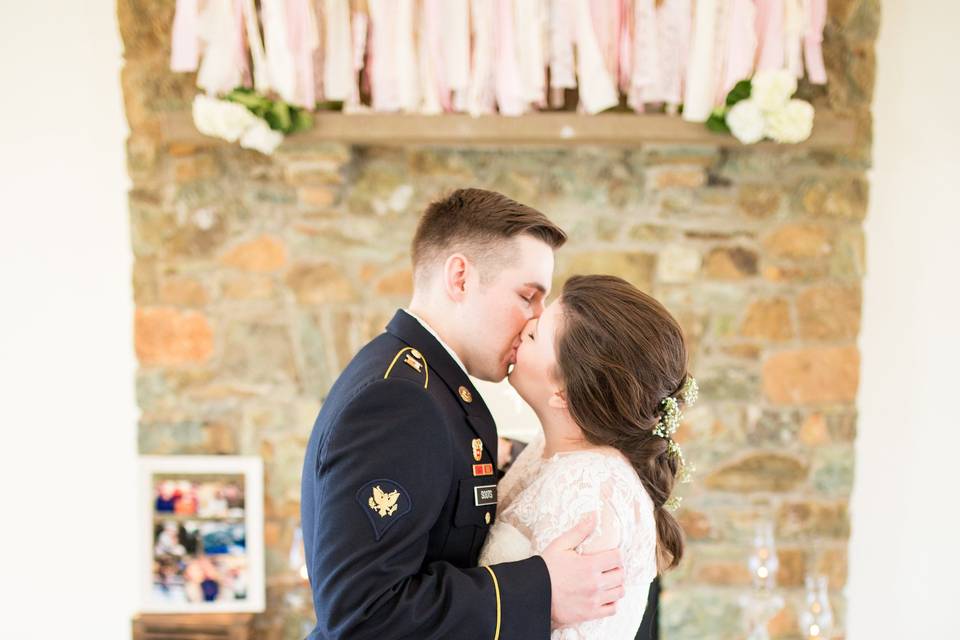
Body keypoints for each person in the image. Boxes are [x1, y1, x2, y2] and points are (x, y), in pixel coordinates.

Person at [300, 189, 626, 639]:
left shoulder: (426, 383)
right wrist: (542, 588)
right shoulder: (399, 399)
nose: (534, 321)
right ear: (460, 278)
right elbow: (363, 615)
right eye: (528, 296)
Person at [479, 275, 696, 639]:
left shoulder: (590, 490)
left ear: (563, 394)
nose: (525, 325)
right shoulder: (548, 451)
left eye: (535, 336)